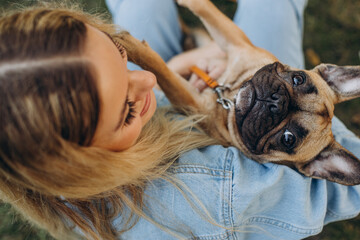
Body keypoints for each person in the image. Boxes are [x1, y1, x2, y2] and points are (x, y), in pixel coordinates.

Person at [0, 1, 359, 240]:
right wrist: (316, 125)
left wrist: (179, 65)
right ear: (85, 162)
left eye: (121, 53)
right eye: (125, 109)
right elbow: (352, 188)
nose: (147, 79)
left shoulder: (43, 177)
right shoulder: (219, 187)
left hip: (186, 98)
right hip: (198, 118)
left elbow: (150, 86)